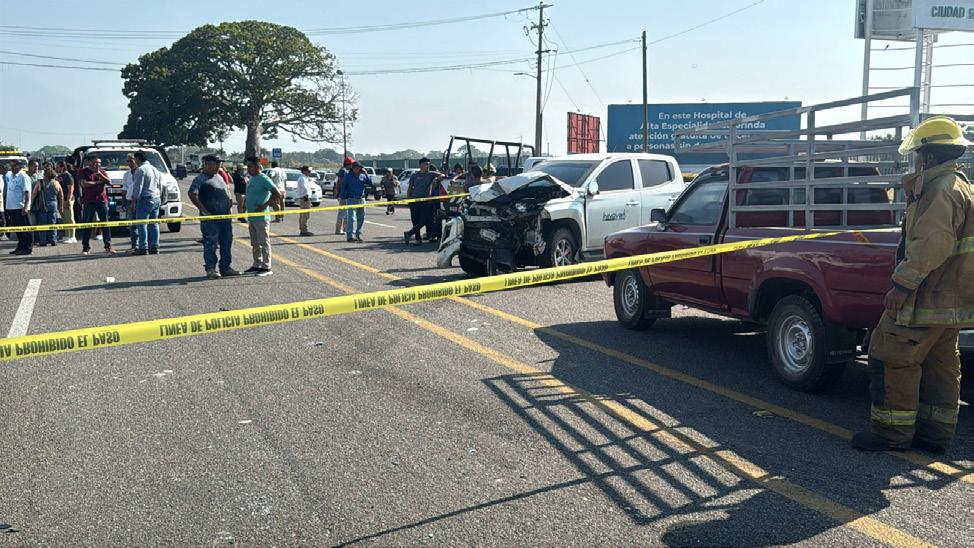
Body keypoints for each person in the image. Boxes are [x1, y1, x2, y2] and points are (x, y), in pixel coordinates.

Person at [852, 116, 973, 454]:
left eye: (918, 154)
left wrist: (903, 285)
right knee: (940, 366)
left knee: (890, 355)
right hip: (948, 302)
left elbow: (933, 243)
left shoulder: (939, 189)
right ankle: (935, 435)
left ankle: (891, 433)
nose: (915, 161)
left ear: (929, 156)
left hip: (925, 297)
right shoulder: (960, 185)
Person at [189, 154, 240, 279]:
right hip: (211, 219)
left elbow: (227, 191)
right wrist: (203, 209)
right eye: (215, 163)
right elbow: (192, 193)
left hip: (225, 218)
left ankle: (225, 267)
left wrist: (229, 203)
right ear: (207, 164)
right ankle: (211, 268)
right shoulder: (200, 179)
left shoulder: (219, 176)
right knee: (211, 244)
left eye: (219, 164)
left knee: (226, 243)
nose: (218, 166)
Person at [243, 156, 280, 276]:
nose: (248, 169)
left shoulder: (263, 178)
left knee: (264, 242)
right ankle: (257, 264)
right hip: (252, 216)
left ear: (258, 166)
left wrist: (265, 205)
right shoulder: (252, 179)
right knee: (254, 243)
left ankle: (266, 267)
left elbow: (276, 193)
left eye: (250, 166)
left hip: (261, 218)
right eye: (247, 167)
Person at [78, 156, 114, 255]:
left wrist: (100, 175)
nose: (97, 164)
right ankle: (85, 248)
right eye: (95, 162)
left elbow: (109, 182)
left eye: (99, 163)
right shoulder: (83, 172)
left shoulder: (102, 171)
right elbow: (84, 184)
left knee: (105, 224)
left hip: (102, 201)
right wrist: (98, 182)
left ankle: (108, 246)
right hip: (89, 201)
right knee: (87, 224)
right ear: (89, 162)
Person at [131, 151, 162, 255]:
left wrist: (134, 200)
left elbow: (138, 187)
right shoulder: (154, 169)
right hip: (156, 197)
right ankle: (154, 246)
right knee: (154, 224)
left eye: (134, 159)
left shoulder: (141, 170)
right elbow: (159, 184)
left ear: (137, 159)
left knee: (142, 224)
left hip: (145, 199)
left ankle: (143, 247)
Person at [403, 157, 436, 246]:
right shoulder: (414, 175)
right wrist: (409, 199)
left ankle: (409, 233)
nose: (428, 166)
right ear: (421, 165)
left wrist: (437, 179)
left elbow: (443, 175)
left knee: (425, 220)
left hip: (424, 201)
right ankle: (417, 239)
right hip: (414, 201)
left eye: (429, 165)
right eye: (426, 164)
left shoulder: (431, 174)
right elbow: (410, 188)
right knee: (415, 221)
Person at [4, 159, 32, 255]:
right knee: (18, 229)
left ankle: (27, 248)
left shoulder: (23, 177)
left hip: (20, 207)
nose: (11, 167)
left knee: (24, 229)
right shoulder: (11, 176)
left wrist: (26, 207)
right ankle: (20, 246)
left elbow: (27, 193)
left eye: (14, 165)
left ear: (19, 166)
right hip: (12, 208)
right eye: (11, 166)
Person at [31, 165, 64, 247]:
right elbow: (61, 195)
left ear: (45, 174)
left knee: (43, 224)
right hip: (53, 204)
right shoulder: (56, 183)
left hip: (43, 205)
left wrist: (30, 204)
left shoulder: (40, 183)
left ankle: (43, 241)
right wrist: (61, 205)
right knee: (52, 223)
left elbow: (34, 194)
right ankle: (53, 240)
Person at [340, 161, 368, 242]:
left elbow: (370, 183)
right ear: (353, 168)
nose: (358, 169)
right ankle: (350, 236)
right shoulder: (348, 176)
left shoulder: (363, 176)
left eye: (359, 168)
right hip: (351, 199)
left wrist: (366, 174)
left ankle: (359, 235)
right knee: (351, 218)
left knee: (361, 218)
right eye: (356, 167)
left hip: (361, 199)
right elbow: (343, 186)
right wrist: (342, 197)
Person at [56, 160, 76, 244]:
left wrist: (68, 200)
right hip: (61, 200)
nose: (56, 169)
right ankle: (67, 235)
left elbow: (71, 189)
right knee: (64, 218)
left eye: (57, 167)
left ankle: (72, 236)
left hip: (67, 199)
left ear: (62, 167)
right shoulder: (60, 176)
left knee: (70, 218)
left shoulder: (68, 176)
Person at [122, 154, 139, 253]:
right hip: (129, 202)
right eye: (127, 161)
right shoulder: (126, 174)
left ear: (136, 160)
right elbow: (124, 188)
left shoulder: (141, 172)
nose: (129, 163)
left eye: (131, 160)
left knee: (142, 225)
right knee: (132, 225)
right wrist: (123, 201)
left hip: (140, 202)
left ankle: (144, 245)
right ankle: (134, 246)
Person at [334, 156, 353, 234]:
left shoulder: (348, 171)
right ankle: (338, 229)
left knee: (347, 213)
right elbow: (339, 183)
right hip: (343, 195)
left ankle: (346, 228)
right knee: (342, 212)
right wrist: (338, 193)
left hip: (348, 195)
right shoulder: (343, 171)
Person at [25, 160, 42, 245]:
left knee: (40, 222)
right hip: (30, 202)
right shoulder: (26, 177)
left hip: (40, 203)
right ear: (29, 166)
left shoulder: (39, 176)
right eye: (35, 166)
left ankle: (39, 239)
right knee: (32, 222)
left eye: (37, 166)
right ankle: (32, 240)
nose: (37, 168)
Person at [296, 165, 315, 236]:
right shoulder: (302, 178)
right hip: (305, 199)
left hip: (304, 198)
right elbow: (305, 188)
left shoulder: (304, 178)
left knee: (303, 215)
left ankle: (303, 229)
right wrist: (307, 196)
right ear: (304, 171)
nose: (310, 172)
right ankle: (304, 230)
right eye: (309, 171)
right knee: (305, 215)